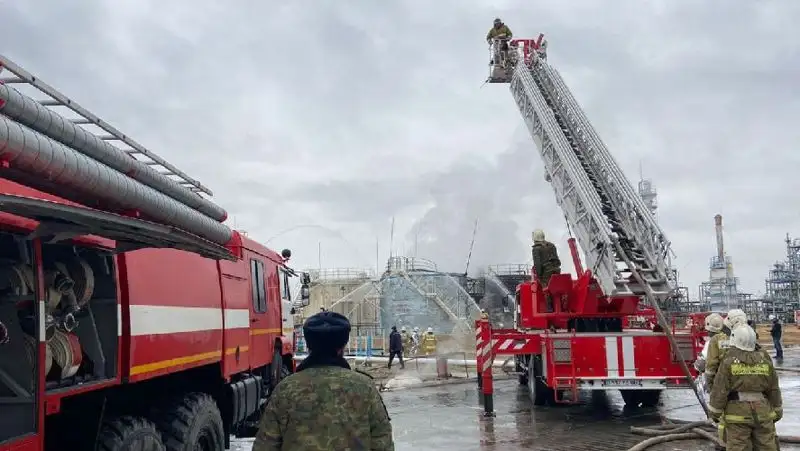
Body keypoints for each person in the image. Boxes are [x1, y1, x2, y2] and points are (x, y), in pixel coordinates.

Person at [253, 311, 394, 451]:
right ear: (342, 346)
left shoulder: (285, 390)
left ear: (308, 346)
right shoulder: (365, 388)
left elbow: (265, 445)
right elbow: (383, 443)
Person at [708, 324, 782, 451]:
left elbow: (720, 390)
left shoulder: (728, 362)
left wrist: (714, 413)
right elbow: (773, 389)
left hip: (737, 416)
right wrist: (777, 411)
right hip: (763, 414)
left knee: (738, 447)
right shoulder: (765, 361)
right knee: (767, 446)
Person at [706, 309, 746, 392]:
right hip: (745, 382)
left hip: (724, 382)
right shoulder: (748, 337)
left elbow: (711, 364)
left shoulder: (717, 339)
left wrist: (710, 385)